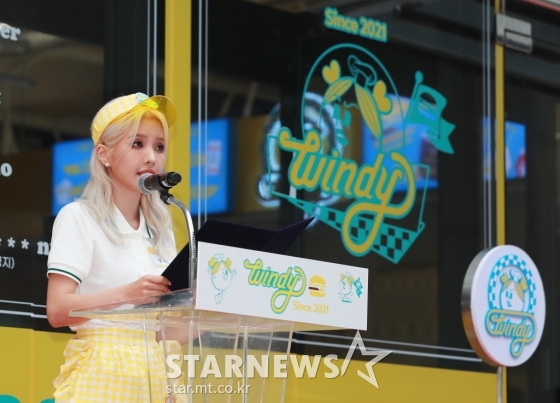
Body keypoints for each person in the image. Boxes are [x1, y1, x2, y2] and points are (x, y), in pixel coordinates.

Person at [46, 92, 180, 402]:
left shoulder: (162, 229)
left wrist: (217, 307)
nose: (152, 157)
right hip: (101, 372)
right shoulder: (78, 217)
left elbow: (165, 332)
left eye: (159, 146)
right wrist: (127, 294)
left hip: (158, 374)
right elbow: (57, 310)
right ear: (104, 154)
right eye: (138, 143)